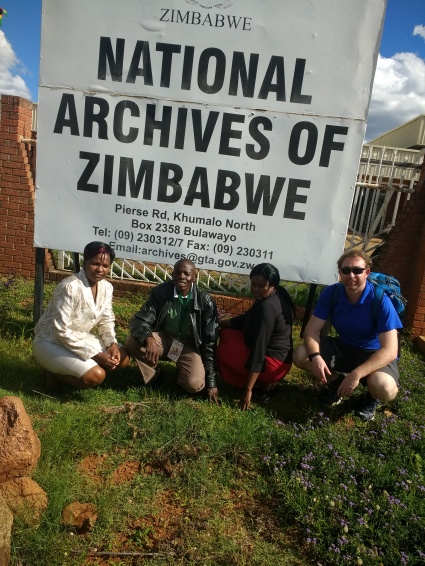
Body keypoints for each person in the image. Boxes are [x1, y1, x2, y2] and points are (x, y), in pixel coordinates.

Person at [293, 250, 402, 421]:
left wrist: (356, 374)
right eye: (346, 270)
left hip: (373, 353)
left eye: (357, 270)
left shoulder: (380, 300)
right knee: (301, 355)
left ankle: (371, 398)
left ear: (367, 272)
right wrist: (315, 356)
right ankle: (336, 382)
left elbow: (390, 350)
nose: (351, 275)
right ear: (340, 273)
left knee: (385, 388)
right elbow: (311, 330)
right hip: (343, 347)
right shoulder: (332, 293)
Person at [33, 241, 129, 389]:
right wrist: (96, 355)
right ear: (85, 261)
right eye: (95, 263)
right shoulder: (69, 287)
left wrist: (112, 344)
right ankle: (52, 372)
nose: (100, 270)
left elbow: (106, 320)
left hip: (78, 338)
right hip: (50, 341)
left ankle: (71, 368)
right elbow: (61, 332)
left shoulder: (106, 287)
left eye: (105, 266)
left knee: (122, 358)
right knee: (96, 376)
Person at [125, 259, 219, 403]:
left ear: (194, 277)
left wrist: (211, 382)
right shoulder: (161, 292)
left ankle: (180, 376)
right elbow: (140, 319)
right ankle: (155, 376)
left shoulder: (205, 301)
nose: (182, 276)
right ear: (172, 274)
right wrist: (149, 337)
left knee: (194, 384)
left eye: (187, 273)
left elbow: (209, 342)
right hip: (166, 339)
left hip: (188, 345)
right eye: (178, 272)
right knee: (133, 340)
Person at [217, 263, 295, 410]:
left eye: (261, 286)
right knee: (226, 332)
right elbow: (245, 319)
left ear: (271, 285)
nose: (256, 289)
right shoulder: (271, 296)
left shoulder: (268, 307)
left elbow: (259, 348)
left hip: (273, 364)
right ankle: (264, 384)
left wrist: (248, 390)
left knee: (223, 353)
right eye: (253, 284)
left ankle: (257, 383)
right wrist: (219, 322)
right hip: (280, 358)